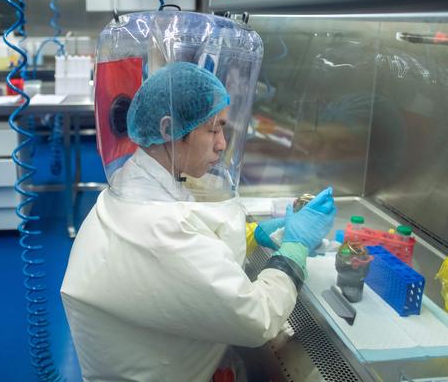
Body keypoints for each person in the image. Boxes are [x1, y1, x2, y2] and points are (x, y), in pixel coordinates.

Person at [61, 62, 336, 382]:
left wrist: (250, 235)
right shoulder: (163, 232)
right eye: (213, 129)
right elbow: (258, 319)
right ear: (168, 129)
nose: (221, 143)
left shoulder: (135, 182)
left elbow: (179, 256)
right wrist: (294, 248)